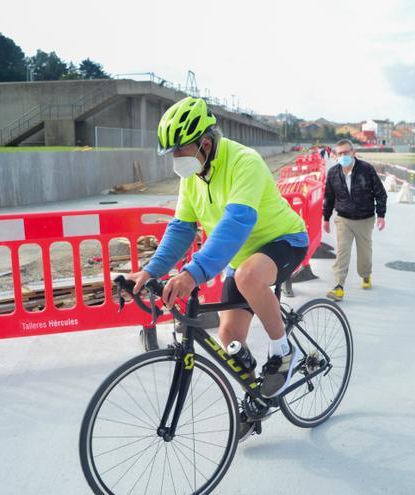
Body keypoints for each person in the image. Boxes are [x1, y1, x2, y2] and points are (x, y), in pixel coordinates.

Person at [125, 96, 309, 441]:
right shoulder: (192, 176)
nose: (175, 160)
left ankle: (283, 351)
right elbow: (182, 228)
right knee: (228, 338)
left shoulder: (245, 163)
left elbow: (237, 223)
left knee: (249, 276)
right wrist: (149, 271)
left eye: (179, 151)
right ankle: (258, 395)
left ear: (205, 144)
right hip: (241, 257)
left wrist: (192, 274)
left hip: (285, 240)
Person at [323, 139, 387, 301]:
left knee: (364, 253)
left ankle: (366, 275)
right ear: (335, 156)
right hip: (343, 219)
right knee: (342, 252)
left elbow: (380, 193)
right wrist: (326, 218)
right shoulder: (333, 173)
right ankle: (338, 286)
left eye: (346, 152)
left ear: (353, 153)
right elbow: (329, 198)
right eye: (340, 153)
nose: (343, 156)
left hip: (365, 219)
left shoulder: (367, 169)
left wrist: (381, 215)